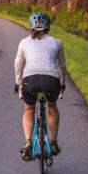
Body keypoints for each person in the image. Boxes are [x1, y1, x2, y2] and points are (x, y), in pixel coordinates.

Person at [15, 11, 66, 161]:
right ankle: (54, 142)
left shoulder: (24, 42)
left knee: (29, 108)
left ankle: (28, 141)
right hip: (51, 80)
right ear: (48, 27)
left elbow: (18, 64)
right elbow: (62, 66)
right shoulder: (56, 42)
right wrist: (62, 83)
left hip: (30, 80)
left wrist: (18, 82)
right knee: (51, 106)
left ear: (31, 26)